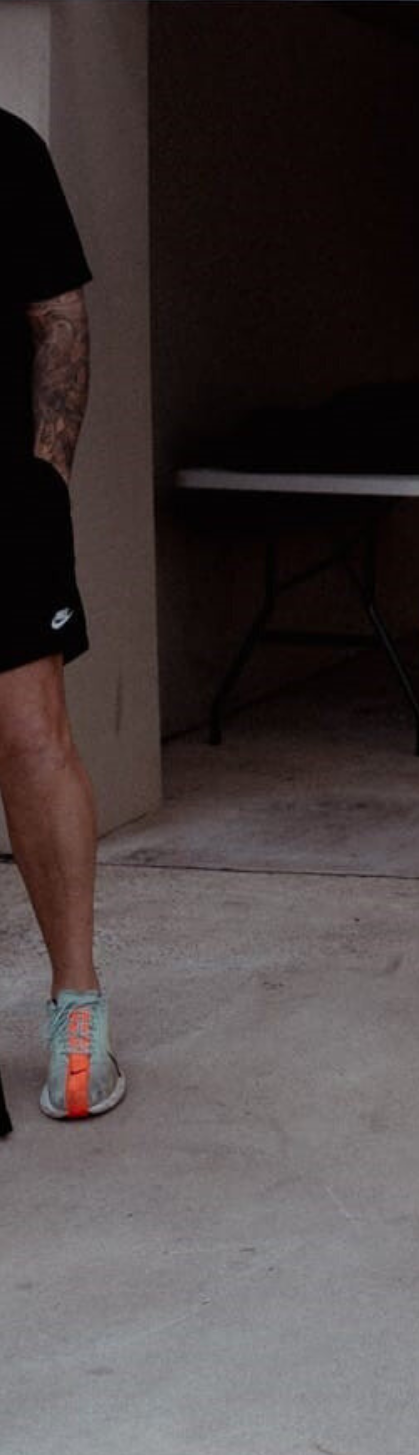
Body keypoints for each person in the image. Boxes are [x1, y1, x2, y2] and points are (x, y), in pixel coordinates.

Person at [0, 106, 118, 1123]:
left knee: (31, 735)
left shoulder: (4, 149)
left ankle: (77, 1005)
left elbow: (58, 316)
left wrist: (45, 474)